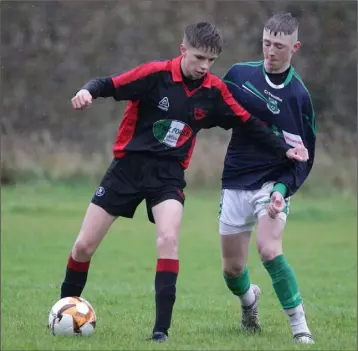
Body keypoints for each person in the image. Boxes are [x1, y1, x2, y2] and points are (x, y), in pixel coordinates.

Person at [61, 21, 308, 342]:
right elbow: (109, 83)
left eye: (211, 61)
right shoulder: (155, 75)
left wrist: (286, 149)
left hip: (169, 176)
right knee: (83, 246)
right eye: (198, 58)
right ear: (183, 50)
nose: (204, 67)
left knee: (168, 240)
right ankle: (63, 309)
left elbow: (249, 123)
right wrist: (86, 91)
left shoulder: (213, 91)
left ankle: (160, 332)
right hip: (127, 169)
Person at [218, 13, 316, 344]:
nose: (270, 51)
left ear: (295, 47)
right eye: (266, 43)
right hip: (235, 178)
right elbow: (209, 109)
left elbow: (304, 157)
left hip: (271, 182)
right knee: (232, 271)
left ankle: (300, 328)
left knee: (269, 250)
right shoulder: (238, 75)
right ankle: (249, 302)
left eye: (279, 46)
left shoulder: (298, 97)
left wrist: (282, 189)